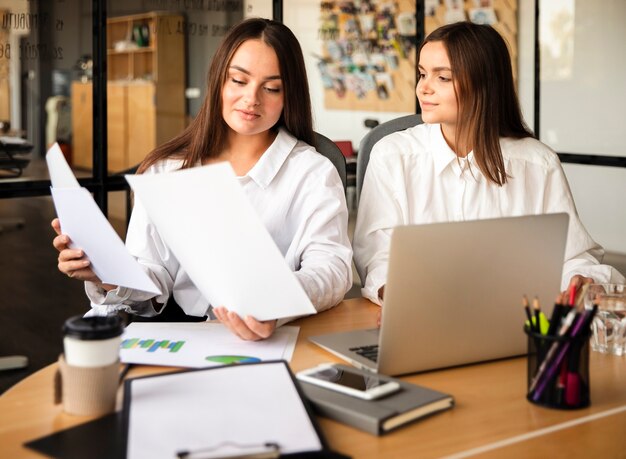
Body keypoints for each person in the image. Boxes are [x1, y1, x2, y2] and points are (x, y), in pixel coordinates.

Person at [52, 18, 353, 340]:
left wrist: (274, 303)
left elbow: (332, 269)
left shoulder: (311, 172)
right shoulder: (166, 170)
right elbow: (154, 275)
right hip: (183, 335)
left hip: (274, 337)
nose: (252, 99)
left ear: (289, 95)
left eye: (271, 88)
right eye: (238, 80)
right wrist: (107, 274)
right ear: (218, 82)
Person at [353, 21, 625, 307]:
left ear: (484, 83)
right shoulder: (392, 155)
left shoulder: (537, 163)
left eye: (442, 78)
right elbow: (376, 257)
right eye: (422, 74)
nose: (423, 89)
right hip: (421, 316)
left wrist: (582, 279)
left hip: (516, 322)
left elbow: (573, 257)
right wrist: (399, 294)